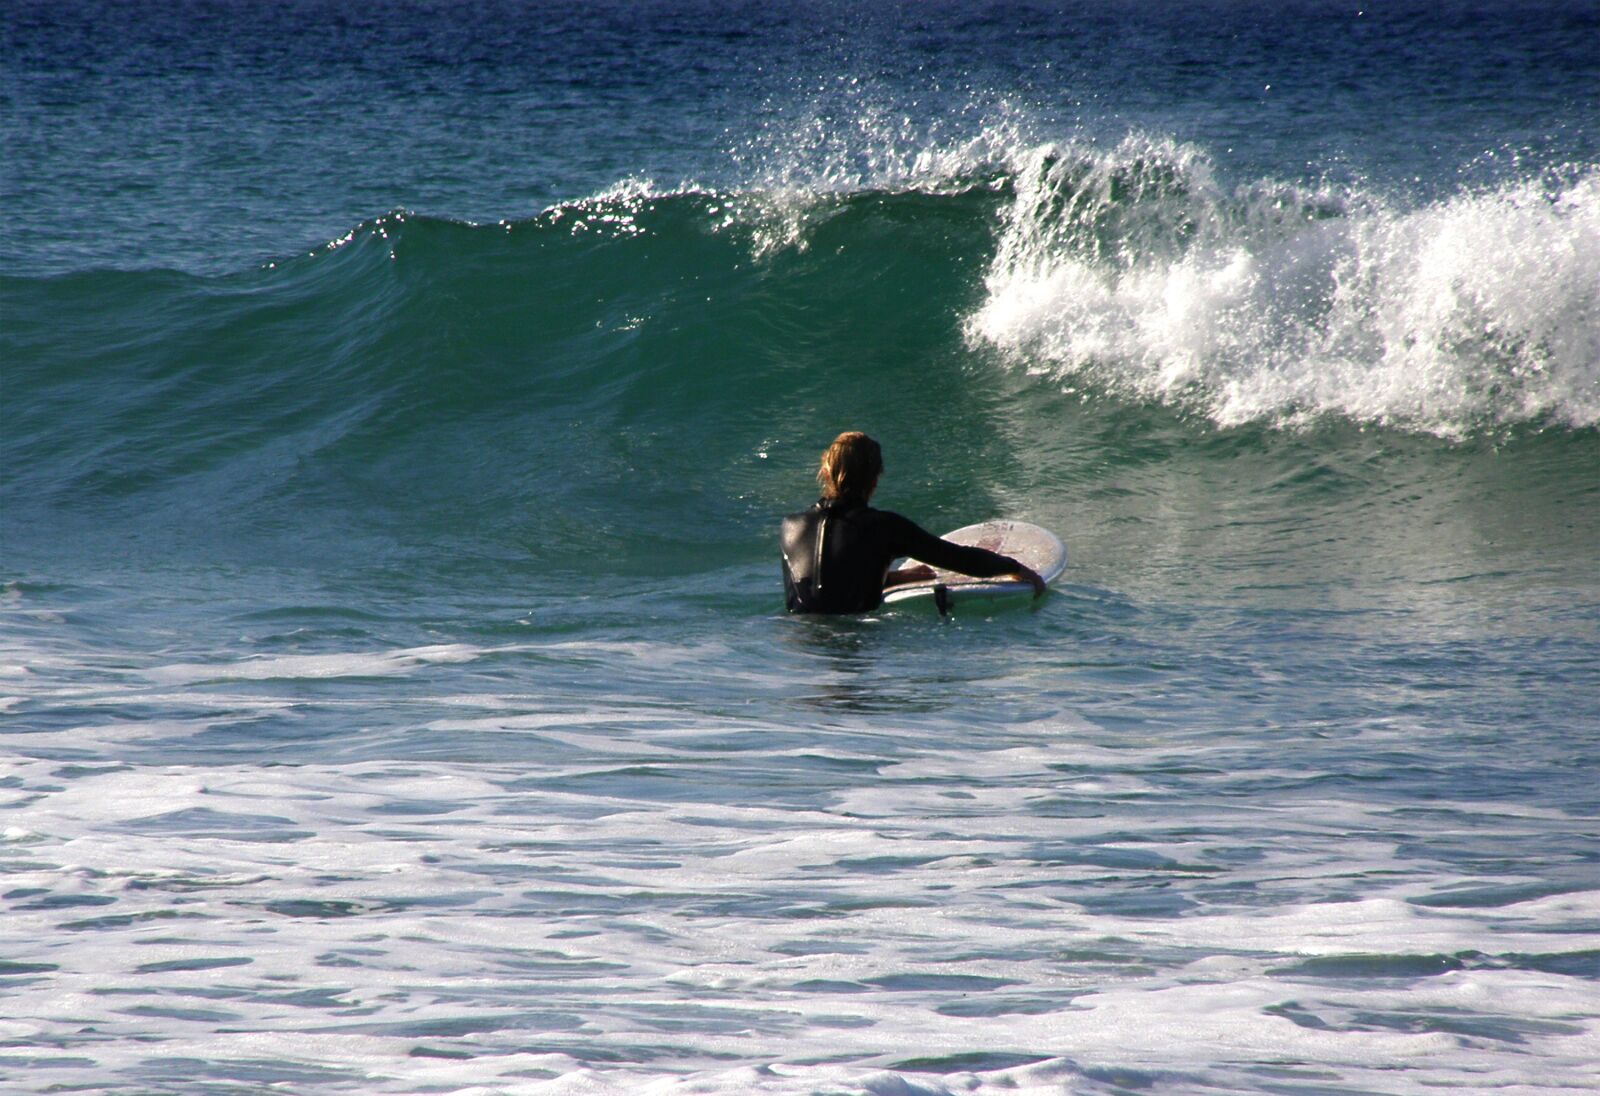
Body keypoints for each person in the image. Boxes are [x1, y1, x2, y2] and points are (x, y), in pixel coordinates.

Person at [781, 431, 1046, 614]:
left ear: (826, 471)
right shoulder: (884, 527)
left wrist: (892, 577)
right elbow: (959, 559)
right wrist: (1015, 568)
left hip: (798, 649)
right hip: (851, 648)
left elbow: (821, 591)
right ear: (874, 481)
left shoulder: (790, 526)